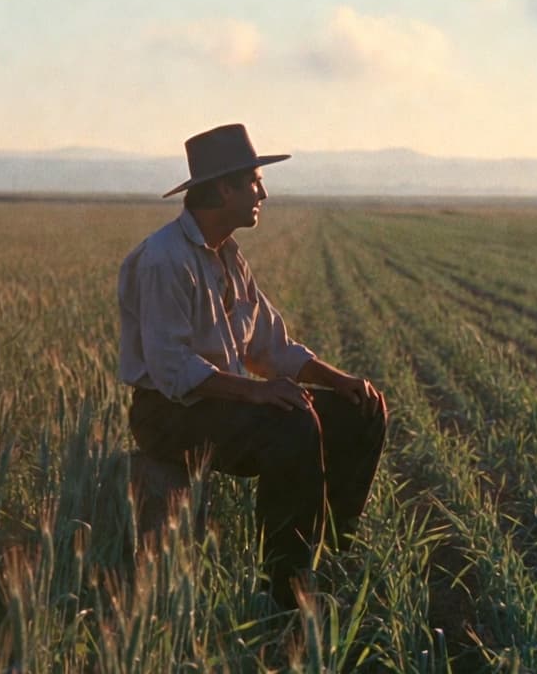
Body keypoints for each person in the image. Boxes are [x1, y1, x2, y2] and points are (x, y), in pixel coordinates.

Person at [117, 123, 388, 608]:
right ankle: (286, 589)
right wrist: (259, 393)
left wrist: (339, 381)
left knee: (361, 411)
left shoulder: (230, 258)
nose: (263, 192)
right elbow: (172, 370)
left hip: (219, 406)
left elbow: (269, 347)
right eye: (254, 182)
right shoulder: (163, 260)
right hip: (167, 414)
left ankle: (330, 552)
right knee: (293, 424)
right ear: (223, 188)